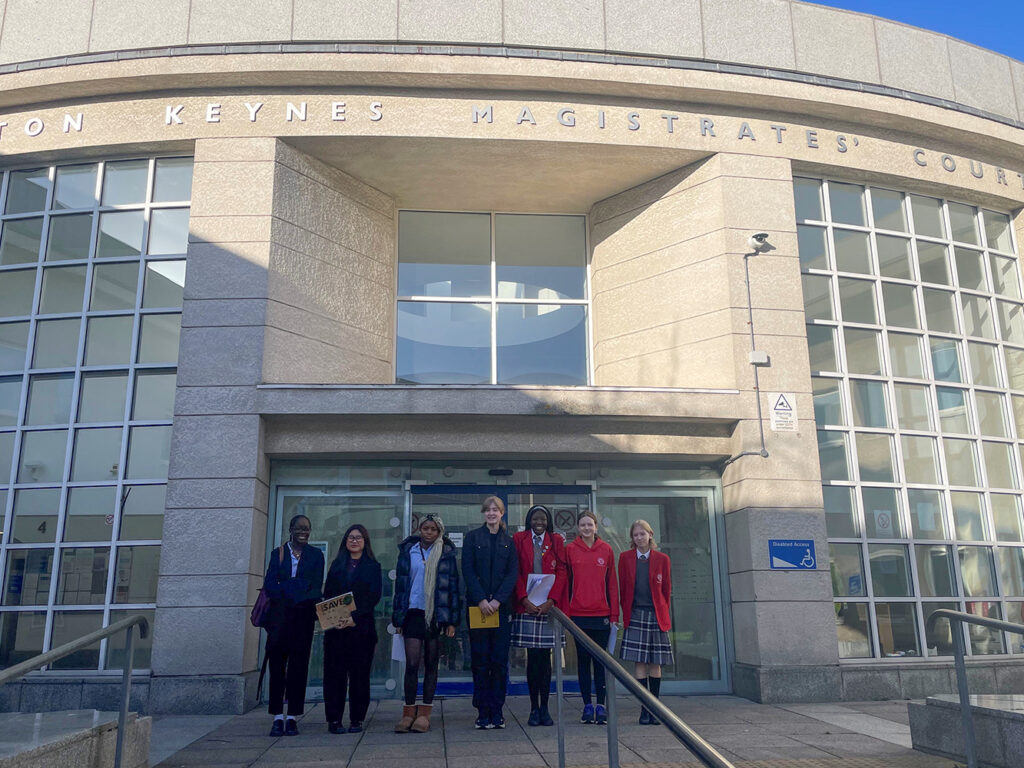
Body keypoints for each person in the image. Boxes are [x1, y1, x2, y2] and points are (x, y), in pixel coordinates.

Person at [392, 514, 461, 733]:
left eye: (433, 529)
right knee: (411, 665)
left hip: (436, 616)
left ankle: (424, 714)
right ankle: (408, 712)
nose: (429, 532)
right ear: (419, 529)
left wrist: (452, 621)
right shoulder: (408, 552)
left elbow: (453, 588)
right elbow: (401, 586)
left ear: (439, 531)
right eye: (425, 528)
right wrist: (398, 618)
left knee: (431, 665)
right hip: (412, 612)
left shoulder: (446, 554)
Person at [262, 514, 325, 737]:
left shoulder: (316, 556)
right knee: (277, 668)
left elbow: (316, 588)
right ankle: (277, 716)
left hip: (303, 621)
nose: (303, 532)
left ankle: (293, 716)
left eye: (307, 528)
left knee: (299, 669)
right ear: (291, 529)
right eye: (299, 528)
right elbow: (270, 585)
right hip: (278, 622)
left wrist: (288, 587)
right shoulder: (277, 554)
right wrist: (297, 589)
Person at [462, 495, 518, 729]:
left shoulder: (509, 540)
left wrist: (498, 601)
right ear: (483, 513)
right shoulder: (473, 537)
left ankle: (497, 710)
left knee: (499, 662)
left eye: (496, 510)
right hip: (478, 609)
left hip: (500, 611)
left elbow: (512, 573)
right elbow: (467, 569)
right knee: (480, 661)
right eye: (488, 510)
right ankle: (482, 711)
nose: (492, 513)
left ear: (502, 513)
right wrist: (482, 599)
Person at [323, 524, 382, 734]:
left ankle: (357, 718)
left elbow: (373, 597)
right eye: (350, 537)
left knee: (359, 676)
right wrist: (337, 618)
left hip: (361, 629)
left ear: (365, 541)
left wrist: (354, 617)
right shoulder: (337, 564)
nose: (354, 540)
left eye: (358, 537)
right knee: (335, 676)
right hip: (336, 629)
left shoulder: (373, 567)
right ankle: (334, 720)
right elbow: (328, 594)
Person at [511, 504, 567, 727]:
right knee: (532, 659)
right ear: (529, 520)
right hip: (527, 606)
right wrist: (523, 599)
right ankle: (534, 708)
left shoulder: (557, 541)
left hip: (548, 607)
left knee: (546, 660)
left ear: (548, 521)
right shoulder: (519, 538)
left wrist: (551, 600)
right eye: (535, 519)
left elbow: (562, 571)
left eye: (543, 519)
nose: (539, 522)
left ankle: (545, 708)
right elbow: (514, 571)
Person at [565, 510, 618, 725]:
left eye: (590, 525)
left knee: (601, 662)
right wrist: (567, 613)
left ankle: (601, 705)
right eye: (583, 525)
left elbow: (612, 585)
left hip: (601, 615)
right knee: (583, 662)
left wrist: (614, 614)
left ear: (596, 527)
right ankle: (587, 705)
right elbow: (566, 583)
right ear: (578, 528)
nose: (587, 528)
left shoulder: (606, 550)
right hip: (578, 615)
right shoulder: (570, 550)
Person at [618, 519, 673, 724]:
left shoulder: (662, 559)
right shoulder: (624, 558)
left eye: (643, 534)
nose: (639, 538)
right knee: (640, 663)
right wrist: (626, 615)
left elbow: (666, 590)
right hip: (636, 614)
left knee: (655, 664)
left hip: (656, 615)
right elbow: (623, 589)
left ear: (650, 535)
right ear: (632, 538)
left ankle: (656, 708)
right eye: (635, 535)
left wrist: (662, 613)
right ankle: (644, 709)